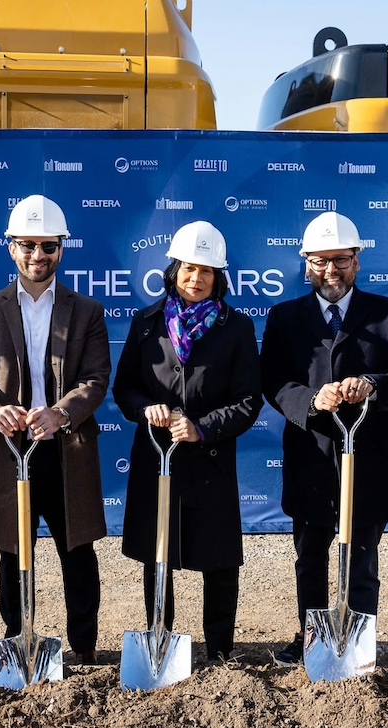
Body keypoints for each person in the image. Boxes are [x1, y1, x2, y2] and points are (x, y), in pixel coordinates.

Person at [260, 211, 388, 666]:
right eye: (320, 261)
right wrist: (314, 400)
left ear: (357, 260)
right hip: (311, 456)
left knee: (362, 559)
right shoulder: (285, 317)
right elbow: (273, 381)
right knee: (310, 557)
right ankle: (311, 637)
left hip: (368, 458)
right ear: (305, 264)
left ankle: (357, 640)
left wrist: (373, 384)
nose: (330, 271)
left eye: (340, 260)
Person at [0, 194, 111, 666]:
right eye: (27, 246)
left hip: (68, 450)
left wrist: (60, 413)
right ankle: (17, 638)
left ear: (61, 250)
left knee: (77, 551)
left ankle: (84, 647)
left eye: (47, 247)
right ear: (11, 248)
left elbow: (96, 379)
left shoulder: (87, 312)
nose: (37, 256)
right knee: (13, 551)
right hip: (11, 451)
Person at [112, 221, 262, 662]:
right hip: (156, 460)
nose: (196, 279)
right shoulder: (146, 324)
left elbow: (249, 400)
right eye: (188, 269)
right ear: (174, 271)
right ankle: (160, 638)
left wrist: (203, 427)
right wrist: (146, 410)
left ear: (219, 278)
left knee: (218, 561)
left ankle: (219, 650)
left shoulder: (237, 327)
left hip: (210, 462)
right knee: (157, 555)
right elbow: (125, 390)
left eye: (207, 272)